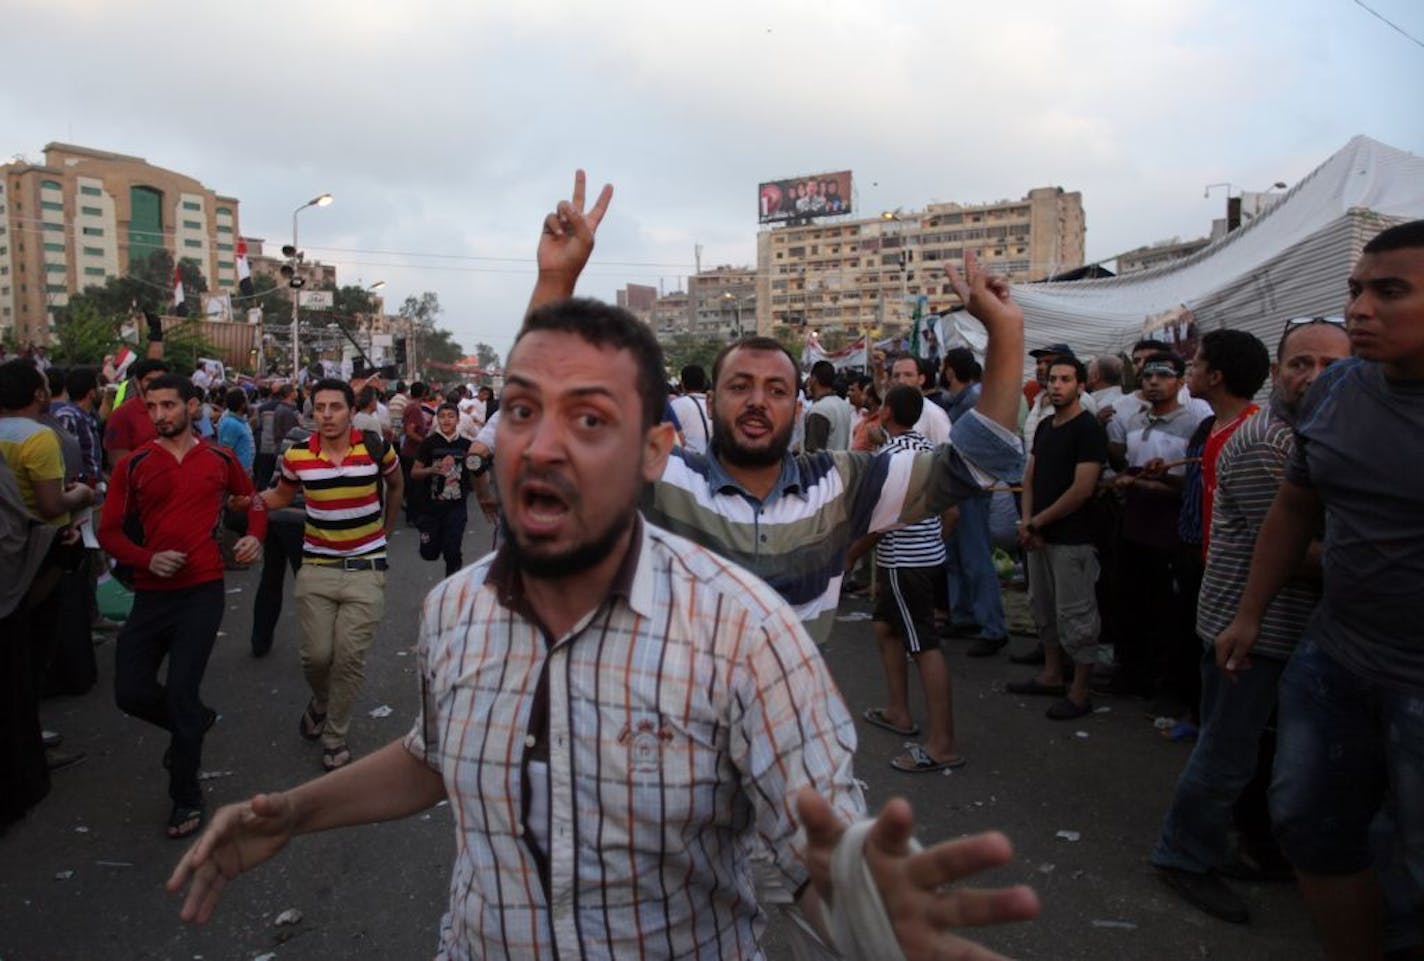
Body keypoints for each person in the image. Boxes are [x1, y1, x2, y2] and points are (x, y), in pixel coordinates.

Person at [167, 289, 1040, 960]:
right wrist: (291, 813)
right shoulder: (456, 609)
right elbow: (438, 751)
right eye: (519, 410)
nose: (544, 445)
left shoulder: (751, 634)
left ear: (653, 454)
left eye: (590, 418)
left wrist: (869, 902)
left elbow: (811, 848)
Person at [1215, 221, 1424, 959]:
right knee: (1307, 822)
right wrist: (1249, 613)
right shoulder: (1337, 390)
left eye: (1389, 291)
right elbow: (1294, 505)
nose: (1360, 309)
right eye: (1355, 290)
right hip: (1336, 655)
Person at [1152, 316, 1349, 925]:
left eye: (1331, 366)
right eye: (1301, 364)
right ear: (1275, 373)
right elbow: (1284, 550)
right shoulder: (1270, 442)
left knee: (1249, 752)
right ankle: (1184, 856)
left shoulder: (1308, 437)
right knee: (1226, 751)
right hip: (1253, 628)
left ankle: (1238, 846)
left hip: (1270, 627)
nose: (1315, 378)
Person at [98, 374, 266, 839]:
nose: (159, 415)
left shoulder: (218, 457)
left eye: (168, 405)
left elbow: (253, 502)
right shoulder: (134, 466)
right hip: (152, 593)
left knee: (180, 690)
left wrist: (254, 535)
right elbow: (109, 532)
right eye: (151, 407)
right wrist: (147, 557)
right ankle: (191, 723)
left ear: (191, 407)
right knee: (129, 690)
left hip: (202, 590)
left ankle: (185, 795)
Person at [260, 379, 402, 773]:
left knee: (350, 658)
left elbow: (395, 482)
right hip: (318, 568)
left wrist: (387, 530)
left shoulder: (374, 446)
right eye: (319, 407)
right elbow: (283, 496)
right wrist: (250, 500)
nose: (326, 415)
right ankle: (322, 702)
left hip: (366, 568)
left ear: (350, 410)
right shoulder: (298, 454)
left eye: (334, 407)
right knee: (316, 657)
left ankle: (335, 736)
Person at [856, 384, 965, 772]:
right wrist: (933, 542)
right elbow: (950, 514)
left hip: (904, 562)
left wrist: (843, 559)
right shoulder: (929, 450)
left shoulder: (888, 457)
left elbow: (877, 525)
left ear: (885, 413)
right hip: (925, 557)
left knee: (923, 645)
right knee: (885, 627)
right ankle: (898, 711)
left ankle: (943, 744)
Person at [1006, 356, 1107, 719]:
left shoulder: (1089, 429)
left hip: (1072, 538)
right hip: (1039, 537)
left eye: (1065, 379)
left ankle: (1080, 691)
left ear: (1080, 384)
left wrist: (1037, 522)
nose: (1057, 385)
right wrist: (1028, 520)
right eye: (1052, 379)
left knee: (1077, 614)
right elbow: (1030, 477)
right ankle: (1051, 673)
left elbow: (1082, 490)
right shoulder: (1047, 426)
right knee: (1044, 609)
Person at [411, 402, 474, 578]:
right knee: (429, 553)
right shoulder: (428, 444)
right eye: (442, 416)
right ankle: (429, 539)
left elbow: (476, 473)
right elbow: (415, 472)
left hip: (457, 507)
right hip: (430, 508)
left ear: (458, 419)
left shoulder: (466, 445)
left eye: (451, 416)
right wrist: (431, 470)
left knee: (452, 550)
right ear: (437, 420)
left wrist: (484, 495)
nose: (446, 420)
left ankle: (452, 587)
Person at [104, 358, 171, 467]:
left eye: (161, 380)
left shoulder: (177, 411)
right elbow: (118, 461)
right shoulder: (122, 415)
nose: (156, 385)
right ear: (137, 383)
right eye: (149, 380)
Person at [803, 360, 853, 452]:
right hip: (841, 463)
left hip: (826, 465)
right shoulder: (844, 405)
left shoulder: (819, 410)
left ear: (813, 379)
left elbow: (813, 454)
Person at [668, 364, 712, 454]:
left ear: (682, 384)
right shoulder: (715, 405)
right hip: (714, 461)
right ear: (704, 383)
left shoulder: (676, 405)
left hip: (688, 461)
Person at [216, 387, 255, 475]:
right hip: (237, 474)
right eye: (246, 401)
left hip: (243, 473)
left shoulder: (240, 421)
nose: (248, 404)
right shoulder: (230, 423)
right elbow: (225, 453)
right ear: (242, 404)